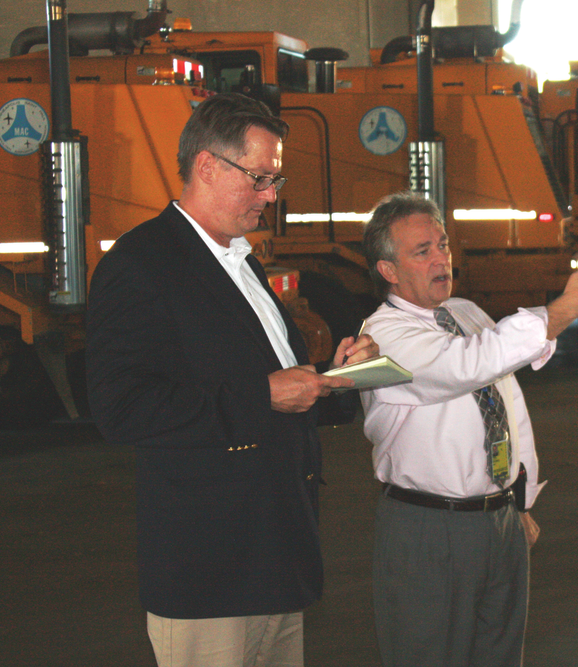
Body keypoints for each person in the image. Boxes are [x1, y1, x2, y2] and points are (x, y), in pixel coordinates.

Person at [85, 93, 377, 667]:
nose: (272, 194)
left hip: (275, 555)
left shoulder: (242, 262)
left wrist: (333, 378)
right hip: (210, 569)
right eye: (261, 178)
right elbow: (121, 408)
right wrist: (266, 394)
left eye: (276, 178)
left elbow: (265, 383)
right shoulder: (142, 263)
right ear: (207, 167)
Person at [359, 192, 578, 667]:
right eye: (422, 251)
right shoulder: (384, 336)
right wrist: (562, 311)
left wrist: (519, 502)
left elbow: (507, 401)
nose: (440, 258)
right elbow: (468, 365)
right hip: (431, 528)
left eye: (443, 244)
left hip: (498, 522)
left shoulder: (464, 311)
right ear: (388, 270)